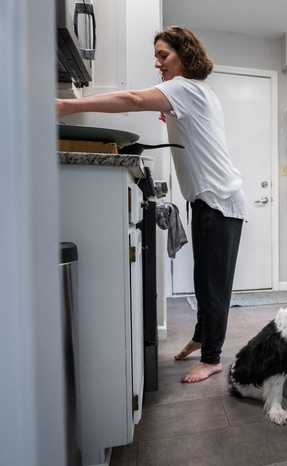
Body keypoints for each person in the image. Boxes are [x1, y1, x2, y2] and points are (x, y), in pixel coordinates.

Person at [57, 26, 247, 384]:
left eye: (164, 56)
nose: (158, 63)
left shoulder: (185, 87)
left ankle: (212, 358)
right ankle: (200, 337)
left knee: (213, 284)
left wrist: (66, 104)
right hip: (212, 199)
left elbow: (131, 99)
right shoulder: (194, 92)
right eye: (157, 56)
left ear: (184, 55)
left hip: (219, 200)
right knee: (203, 278)